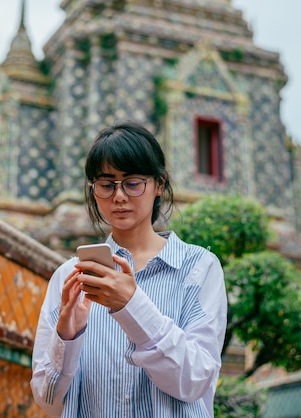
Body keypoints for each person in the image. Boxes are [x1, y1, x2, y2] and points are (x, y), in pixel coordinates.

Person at [30, 121, 227, 417]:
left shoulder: (198, 268)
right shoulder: (69, 277)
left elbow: (195, 380)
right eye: (106, 185)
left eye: (133, 183)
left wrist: (131, 306)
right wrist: (66, 338)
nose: (118, 196)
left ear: (159, 184)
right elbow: (47, 402)